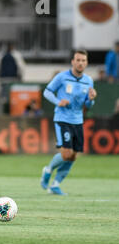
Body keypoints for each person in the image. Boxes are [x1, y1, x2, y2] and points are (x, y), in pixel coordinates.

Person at [40, 50, 97, 195]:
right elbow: (47, 92)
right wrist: (58, 102)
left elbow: (88, 105)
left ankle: (55, 185)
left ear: (87, 63)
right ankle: (48, 170)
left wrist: (91, 99)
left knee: (73, 156)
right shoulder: (62, 77)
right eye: (78, 60)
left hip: (78, 120)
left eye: (83, 60)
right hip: (62, 119)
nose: (80, 63)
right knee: (66, 153)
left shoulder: (88, 80)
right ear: (72, 61)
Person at [0, 42, 25, 114]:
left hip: (9, 80)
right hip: (8, 80)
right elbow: (21, 68)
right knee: (6, 99)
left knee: (10, 99)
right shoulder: (2, 55)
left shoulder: (14, 55)